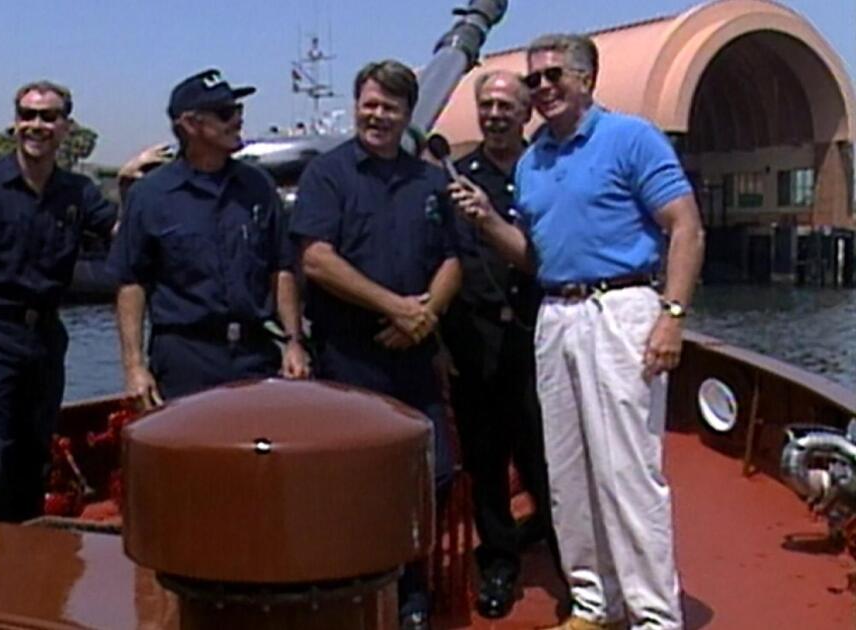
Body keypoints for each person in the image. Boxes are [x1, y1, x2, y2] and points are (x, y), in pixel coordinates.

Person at [452, 33, 704, 630]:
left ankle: (654, 615)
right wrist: (486, 220)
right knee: (567, 471)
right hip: (556, 312)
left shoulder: (630, 138)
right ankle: (595, 601)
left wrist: (672, 316)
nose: (542, 87)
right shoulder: (534, 161)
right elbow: (534, 256)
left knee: (626, 471)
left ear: (587, 79)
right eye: (534, 78)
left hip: (619, 308)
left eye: (554, 75)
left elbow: (685, 227)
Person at [289, 59, 465, 630]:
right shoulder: (328, 175)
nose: (378, 116)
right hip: (350, 359)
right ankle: (353, 585)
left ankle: (410, 589)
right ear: (355, 106)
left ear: (408, 114)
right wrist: (396, 307)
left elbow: (453, 258)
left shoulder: (430, 182)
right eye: (369, 104)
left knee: (433, 473)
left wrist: (425, 315)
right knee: (354, 478)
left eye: (390, 107)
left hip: (414, 353)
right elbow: (316, 259)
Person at [0, 81, 162, 522]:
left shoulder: (78, 192)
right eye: (27, 115)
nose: (36, 125)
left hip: (45, 335)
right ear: (15, 122)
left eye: (48, 117)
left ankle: (27, 543)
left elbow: (123, 240)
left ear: (65, 127)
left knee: (35, 451)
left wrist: (126, 187)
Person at [108, 68, 309, 406]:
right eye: (226, 113)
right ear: (191, 124)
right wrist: (134, 367)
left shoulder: (258, 187)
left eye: (238, 110)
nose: (238, 120)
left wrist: (293, 342)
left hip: (255, 351)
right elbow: (131, 282)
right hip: (185, 358)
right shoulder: (151, 195)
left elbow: (281, 268)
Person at [440, 71, 558, 619]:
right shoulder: (457, 181)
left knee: (547, 456)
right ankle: (500, 562)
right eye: (486, 105)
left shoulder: (548, 172)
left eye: (506, 106)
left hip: (540, 337)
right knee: (485, 460)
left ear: (526, 113)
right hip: (476, 338)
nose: (494, 115)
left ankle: (567, 555)